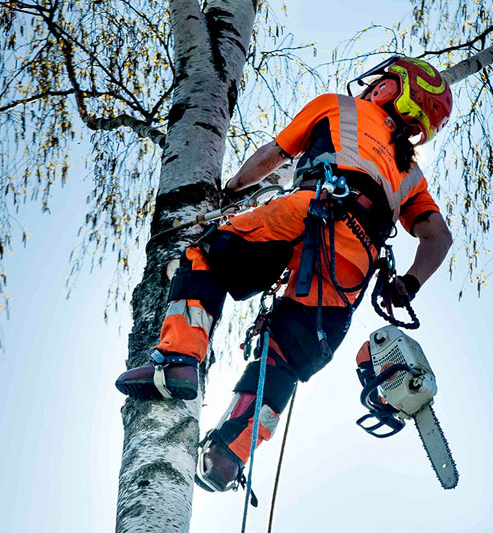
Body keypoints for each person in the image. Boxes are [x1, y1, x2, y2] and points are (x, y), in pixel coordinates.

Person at [116, 56, 455, 492]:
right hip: (355, 262)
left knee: (206, 259)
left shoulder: (339, 106)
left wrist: (231, 192)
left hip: (308, 212)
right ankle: (226, 456)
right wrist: (408, 283)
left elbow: (273, 156)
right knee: (284, 360)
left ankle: (178, 361)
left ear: (389, 90)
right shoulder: (412, 174)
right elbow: (438, 238)